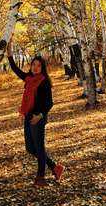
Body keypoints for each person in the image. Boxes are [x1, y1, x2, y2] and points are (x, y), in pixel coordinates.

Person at [7, 39, 65, 187]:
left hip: (38, 117)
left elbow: (49, 103)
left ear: (42, 67)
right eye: (33, 65)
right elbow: (15, 68)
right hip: (28, 115)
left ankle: (40, 178)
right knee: (30, 148)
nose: (35, 67)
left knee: (39, 147)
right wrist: (9, 52)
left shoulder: (44, 81)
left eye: (38, 65)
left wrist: (40, 115)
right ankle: (54, 167)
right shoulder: (29, 78)